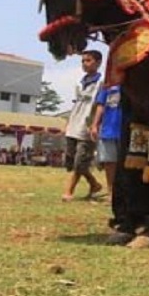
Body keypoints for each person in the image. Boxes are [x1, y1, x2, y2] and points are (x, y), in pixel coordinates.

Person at [61, 50, 104, 202]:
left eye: (88, 60)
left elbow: (100, 105)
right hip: (74, 123)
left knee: (81, 160)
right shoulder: (80, 82)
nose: (84, 64)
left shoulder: (101, 82)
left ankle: (69, 191)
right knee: (71, 160)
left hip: (86, 126)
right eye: (83, 61)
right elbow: (75, 103)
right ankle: (94, 183)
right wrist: (68, 122)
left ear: (98, 62)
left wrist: (95, 124)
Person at [90, 84, 121, 197]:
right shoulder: (107, 86)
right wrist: (94, 125)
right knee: (109, 162)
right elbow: (100, 106)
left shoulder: (132, 83)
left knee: (124, 164)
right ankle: (111, 192)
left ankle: (124, 193)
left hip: (126, 130)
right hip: (108, 130)